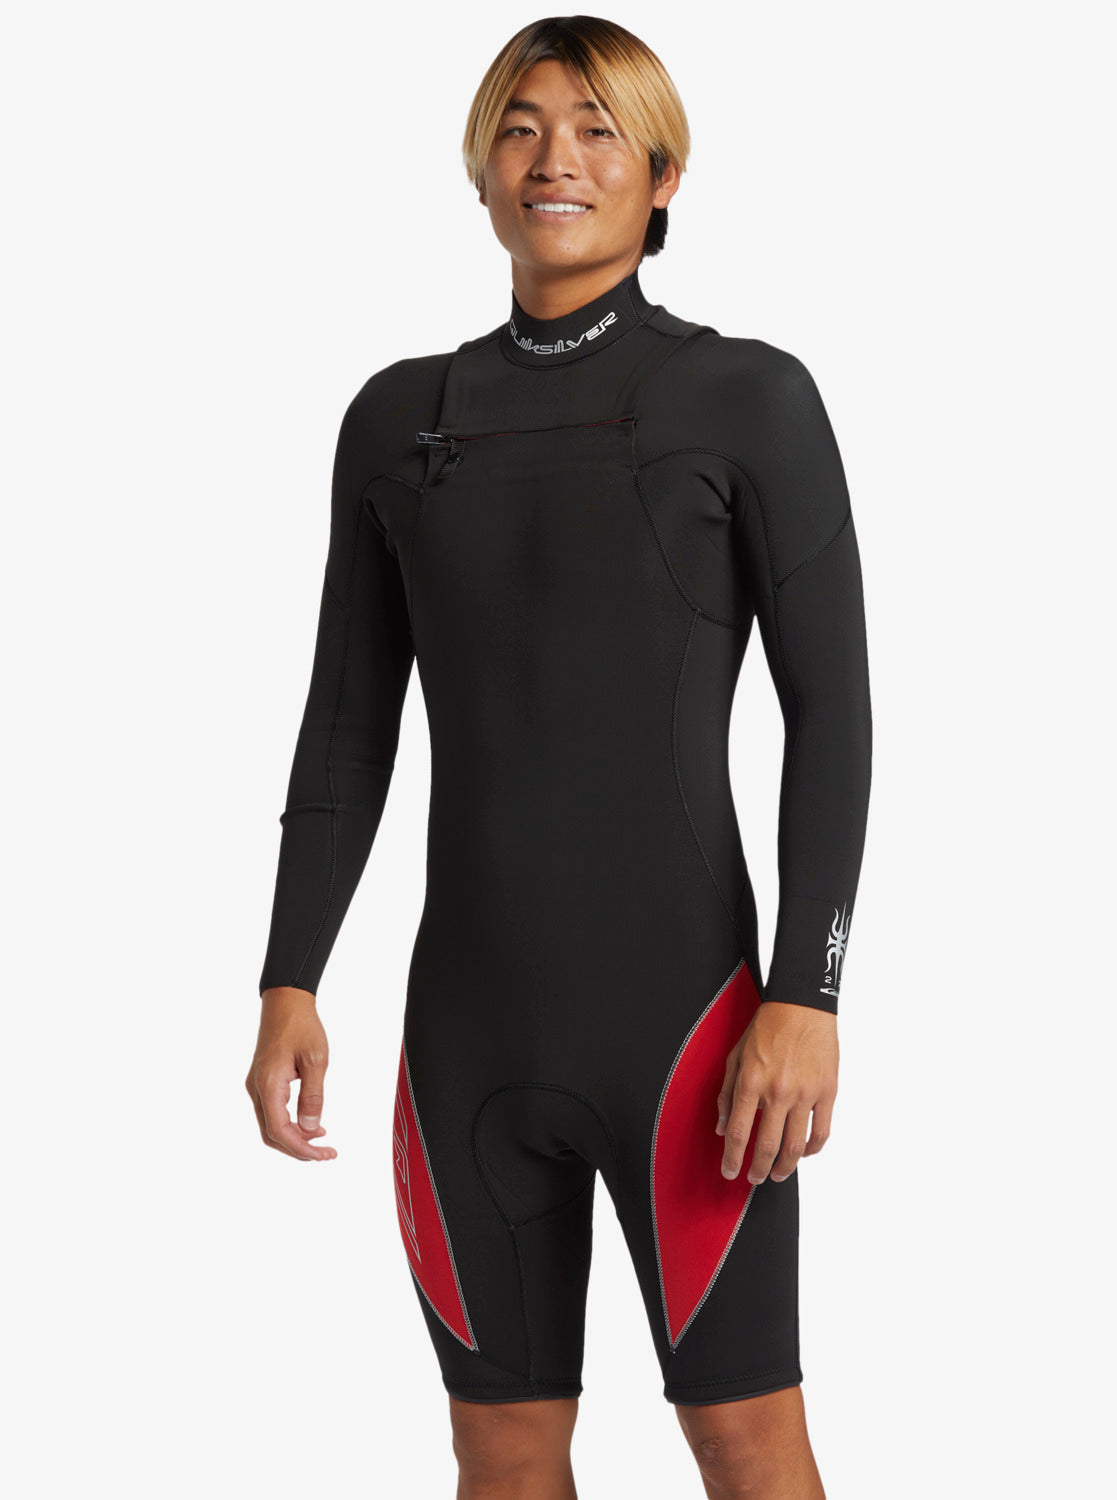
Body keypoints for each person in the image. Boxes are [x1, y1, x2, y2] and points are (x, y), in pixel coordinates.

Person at [247, 15, 871, 1499]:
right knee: (502, 1454)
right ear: (480, 169)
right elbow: (347, 718)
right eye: (522, 128)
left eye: (598, 130)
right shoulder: (399, 419)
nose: (555, 160)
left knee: (744, 1436)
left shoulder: (748, 398)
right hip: (466, 1035)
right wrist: (289, 977)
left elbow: (833, 713)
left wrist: (807, 992)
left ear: (663, 178)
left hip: (694, 1036)